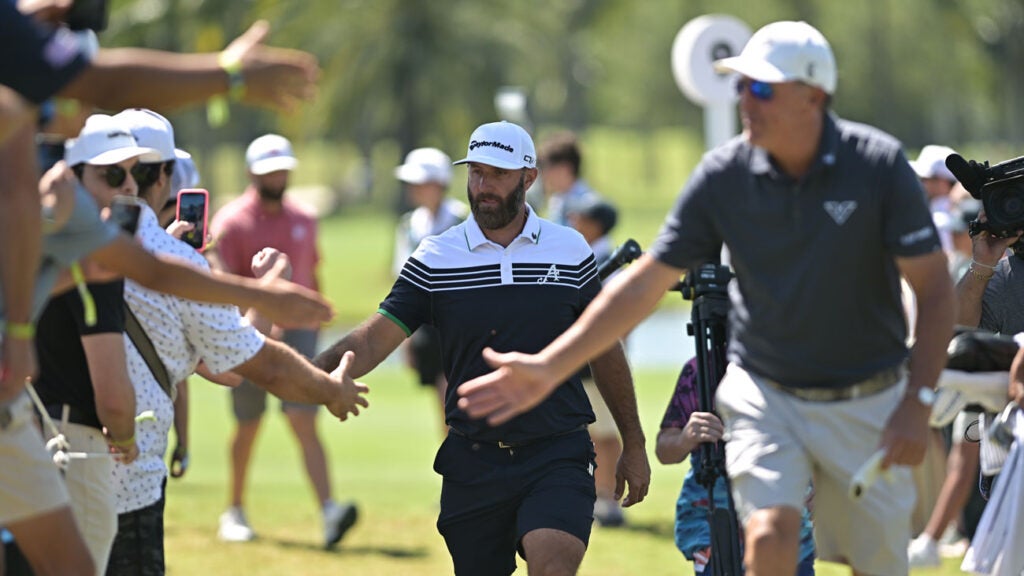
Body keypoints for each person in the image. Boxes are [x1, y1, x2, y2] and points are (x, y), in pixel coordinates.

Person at [457, 22, 956, 576]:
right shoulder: (725, 174)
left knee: (875, 563)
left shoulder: (878, 166)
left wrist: (919, 400)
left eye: (761, 89)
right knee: (767, 538)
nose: (745, 100)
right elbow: (646, 282)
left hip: (869, 396)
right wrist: (550, 366)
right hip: (768, 394)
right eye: (740, 86)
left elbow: (935, 292)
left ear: (813, 96)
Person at [312, 120, 650, 575]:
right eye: (475, 172)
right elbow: (376, 336)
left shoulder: (569, 249)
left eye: (498, 174)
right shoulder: (436, 257)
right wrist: (312, 372)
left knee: (553, 564)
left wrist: (634, 441)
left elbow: (605, 347)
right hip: (472, 459)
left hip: (557, 452)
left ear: (529, 178)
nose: (483, 186)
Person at [102, 108, 367, 574]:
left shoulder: (55, 238)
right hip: (129, 473)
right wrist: (331, 387)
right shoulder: (175, 260)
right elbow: (235, 365)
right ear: (164, 177)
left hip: (45, 465)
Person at [209, 134, 357, 547]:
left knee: (303, 417)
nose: (277, 176)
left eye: (282, 169)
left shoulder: (304, 219)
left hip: (299, 333)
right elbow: (224, 288)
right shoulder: (230, 221)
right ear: (251, 173)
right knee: (248, 423)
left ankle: (329, 511)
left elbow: (312, 274)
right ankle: (234, 509)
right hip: (249, 333)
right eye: (268, 170)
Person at [657, 358, 816, 575]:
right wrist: (685, 438)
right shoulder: (700, 369)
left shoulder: (798, 362)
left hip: (789, 526)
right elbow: (664, 450)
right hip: (713, 525)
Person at [392, 147, 468, 432]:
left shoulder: (463, 220)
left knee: (453, 397)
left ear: (439, 184)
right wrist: (405, 337)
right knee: (444, 404)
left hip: (461, 323)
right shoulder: (409, 224)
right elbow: (403, 281)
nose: (414, 188)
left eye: (420, 182)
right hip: (428, 324)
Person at [564, 196, 628, 527]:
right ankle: (597, 496)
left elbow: (620, 317)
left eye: (581, 216)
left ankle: (609, 499)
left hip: (597, 361)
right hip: (581, 360)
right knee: (589, 431)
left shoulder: (609, 260)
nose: (574, 220)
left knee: (604, 432)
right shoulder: (586, 256)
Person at [537, 131, 598, 226]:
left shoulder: (589, 204)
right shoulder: (556, 200)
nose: (544, 174)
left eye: (547, 167)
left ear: (565, 168)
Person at [910, 145, 959, 254]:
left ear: (943, 183)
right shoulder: (958, 214)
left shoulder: (938, 223)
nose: (919, 183)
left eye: (924, 179)